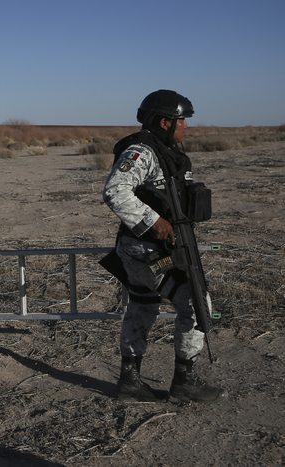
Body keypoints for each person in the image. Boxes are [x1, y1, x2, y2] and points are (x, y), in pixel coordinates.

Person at [103, 90, 227, 404]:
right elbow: (116, 191)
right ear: (164, 122)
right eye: (182, 119)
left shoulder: (166, 153)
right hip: (147, 250)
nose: (186, 126)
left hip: (151, 249)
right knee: (198, 305)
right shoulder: (142, 151)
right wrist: (153, 221)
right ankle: (184, 382)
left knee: (143, 305)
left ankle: (130, 382)